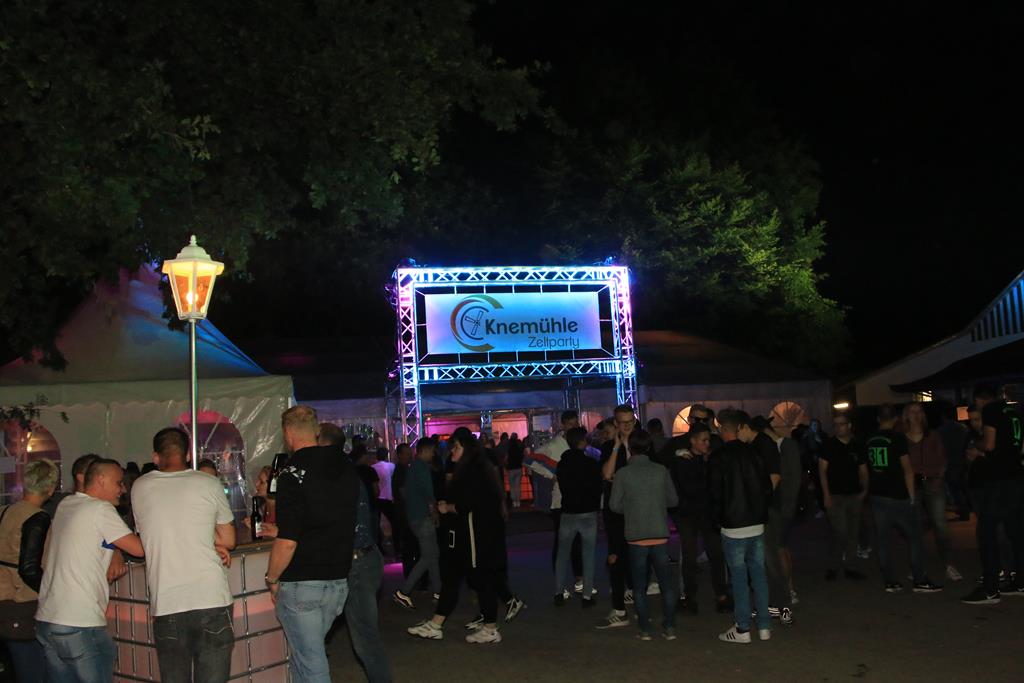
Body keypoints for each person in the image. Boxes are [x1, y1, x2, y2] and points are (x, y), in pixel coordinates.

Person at [131, 428, 236, 683]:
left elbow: (152, 532)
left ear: (156, 457)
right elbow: (229, 540)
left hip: (167, 602)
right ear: (188, 454)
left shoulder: (140, 487)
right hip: (211, 597)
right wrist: (206, 538)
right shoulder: (208, 483)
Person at [265, 406, 359, 683]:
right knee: (303, 658)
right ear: (316, 430)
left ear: (287, 433)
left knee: (311, 662)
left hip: (302, 583)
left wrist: (272, 578)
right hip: (338, 580)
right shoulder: (345, 466)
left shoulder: (291, 474)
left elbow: (288, 541)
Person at [35, 459, 145, 682]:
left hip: (48, 619)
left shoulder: (67, 504)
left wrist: (114, 551)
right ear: (101, 480)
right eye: (118, 482)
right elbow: (139, 549)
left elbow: (90, 537)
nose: (123, 489)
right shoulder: (100, 509)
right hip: (78, 621)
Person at [407, 429, 508, 644]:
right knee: (454, 578)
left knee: (480, 579)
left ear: (467, 449)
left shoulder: (474, 471)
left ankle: (490, 627)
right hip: (466, 534)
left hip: (474, 535)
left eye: (456, 447)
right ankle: (437, 624)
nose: (452, 451)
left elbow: (470, 504)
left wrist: (448, 507)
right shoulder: (471, 469)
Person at [317, 425, 392, 682]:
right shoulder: (343, 470)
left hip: (357, 562)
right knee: (321, 632)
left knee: (366, 641)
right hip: (360, 560)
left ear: (323, 445)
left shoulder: (337, 474)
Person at [710, 409, 772, 644]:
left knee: (738, 577)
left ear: (721, 428)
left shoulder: (718, 457)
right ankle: (764, 626)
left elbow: (715, 494)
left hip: (733, 525)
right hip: (756, 523)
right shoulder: (754, 453)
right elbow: (767, 487)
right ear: (738, 427)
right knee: (759, 575)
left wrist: (718, 520)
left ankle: (743, 628)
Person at [609, 430, 679, 641]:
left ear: (630, 448)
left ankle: (645, 629)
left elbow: (614, 505)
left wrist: (632, 508)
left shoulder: (623, 474)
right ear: (649, 448)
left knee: (639, 587)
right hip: (659, 533)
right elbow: (673, 500)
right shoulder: (660, 471)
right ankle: (669, 627)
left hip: (636, 535)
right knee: (666, 584)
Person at [867, 404, 942, 594]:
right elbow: (907, 469)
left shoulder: (870, 439)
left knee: (883, 539)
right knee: (915, 537)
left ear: (878, 419)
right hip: (897, 495)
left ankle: (890, 580)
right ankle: (919, 579)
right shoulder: (897, 438)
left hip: (877, 495)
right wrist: (911, 497)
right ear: (895, 419)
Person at [962, 385, 1024, 604]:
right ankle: (1020, 582)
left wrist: (977, 447)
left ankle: (990, 589)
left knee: (986, 533)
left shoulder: (991, 410)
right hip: (1016, 477)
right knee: (1015, 532)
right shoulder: (1013, 412)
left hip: (999, 481)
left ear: (980, 400)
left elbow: (989, 444)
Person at [0, 459, 58, 682]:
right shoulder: (37, 517)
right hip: (23, 601)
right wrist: (52, 592)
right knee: (32, 669)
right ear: (50, 488)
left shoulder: (6, 511)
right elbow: (29, 568)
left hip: (4, 597)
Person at [669, 422, 730, 615]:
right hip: (689, 515)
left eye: (708, 440)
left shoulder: (707, 459)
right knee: (690, 557)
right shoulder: (685, 462)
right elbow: (691, 488)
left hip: (705, 514)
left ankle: (721, 595)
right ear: (693, 441)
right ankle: (690, 597)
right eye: (703, 440)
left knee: (716, 554)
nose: (707, 444)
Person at [903, 402, 961, 582]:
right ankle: (917, 566)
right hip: (913, 484)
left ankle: (949, 564)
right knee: (915, 527)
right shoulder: (902, 438)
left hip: (933, 482)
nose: (916, 414)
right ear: (906, 415)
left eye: (919, 411)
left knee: (940, 524)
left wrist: (938, 478)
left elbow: (943, 459)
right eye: (912, 411)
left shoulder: (933, 435)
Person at [595, 405, 638, 630]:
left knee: (638, 558)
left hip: (638, 510)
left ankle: (637, 606)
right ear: (616, 423)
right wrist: (617, 447)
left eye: (630, 421)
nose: (627, 426)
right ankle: (619, 609)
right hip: (615, 511)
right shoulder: (609, 446)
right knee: (615, 557)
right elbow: (606, 474)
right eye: (622, 422)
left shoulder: (642, 443)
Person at [532, 411, 585, 594]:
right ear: (563, 425)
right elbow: (531, 459)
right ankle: (561, 584)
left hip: (577, 500)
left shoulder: (578, 443)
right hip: (560, 501)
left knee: (577, 542)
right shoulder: (554, 445)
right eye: (570, 423)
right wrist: (551, 475)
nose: (573, 426)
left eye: (575, 423)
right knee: (563, 543)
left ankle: (579, 579)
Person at [750, 415, 792, 624]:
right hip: (771, 509)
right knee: (769, 559)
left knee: (772, 559)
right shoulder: (766, 444)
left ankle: (783, 607)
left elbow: (775, 478)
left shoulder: (764, 445)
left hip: (769, 511)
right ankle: (775, 606)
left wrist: (760, 502)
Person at [554, 426, 602, 608]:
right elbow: (598, 487)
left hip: (568, 512)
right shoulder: (591, 463)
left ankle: (558, 592)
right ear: (583, 442)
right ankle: (586, 596)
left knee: (562, 553)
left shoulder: (562, 464)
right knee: (588, 554)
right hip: (588, 512)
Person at [819, 412, 869, 581]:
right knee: (840, 531)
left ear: (849, 425)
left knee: (853, 532)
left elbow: (863, 470)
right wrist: (826, 494)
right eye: (835, 424)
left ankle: (850, 567)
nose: (838, 427)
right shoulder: (829, 445)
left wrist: (865, 489)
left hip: (854, 495)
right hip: (835, 496)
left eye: (841, 424)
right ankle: (834, 565)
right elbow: (822, 470)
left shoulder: (857, 445)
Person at [394, 438, 442, 609]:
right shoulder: (421, 467)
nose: (433, 455)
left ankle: (438, 591)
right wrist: (434, 510)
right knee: (429, 556)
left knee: (432, 554)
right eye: (432, 451)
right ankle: (403, 591)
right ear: (426, 450)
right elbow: (428, 491)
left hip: (415, 516)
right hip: (422, 517)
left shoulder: (413, 467)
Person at [936, 402, 971, 521]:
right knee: (963, 487)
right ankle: (966, 509)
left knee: (954, 488)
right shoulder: (963, 428)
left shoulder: (941, 431)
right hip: (963, 461)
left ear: (944, 417)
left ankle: (963, 510)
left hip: (950, 462)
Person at [391, 443, 418, 577]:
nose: (410, 456)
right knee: (410, 546)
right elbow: (404, 494)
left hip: (405, 513)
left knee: (409, 546)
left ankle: (410, 575)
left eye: (410, 453)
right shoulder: (401, 471)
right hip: (406, 514)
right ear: (400, 455)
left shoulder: (403, 470)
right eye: (407, 453)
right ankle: (410, 576)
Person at [372, 448, 400, 557]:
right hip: (388, 498)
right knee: (395, 522)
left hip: (377, 498)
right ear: (386, 456)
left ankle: (379, 547)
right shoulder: (391, 466)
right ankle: (397, 547)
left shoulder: (373, 468)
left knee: (376, 523)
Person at [505, 433, 525, 509]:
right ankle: (518, 501)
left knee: (512, 486)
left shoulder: (508, 447)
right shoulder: (519, 446)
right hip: (518, 468)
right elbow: (522, 456)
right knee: (518, 485)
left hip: (511, 468)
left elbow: (506, 458)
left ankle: (514, 501)